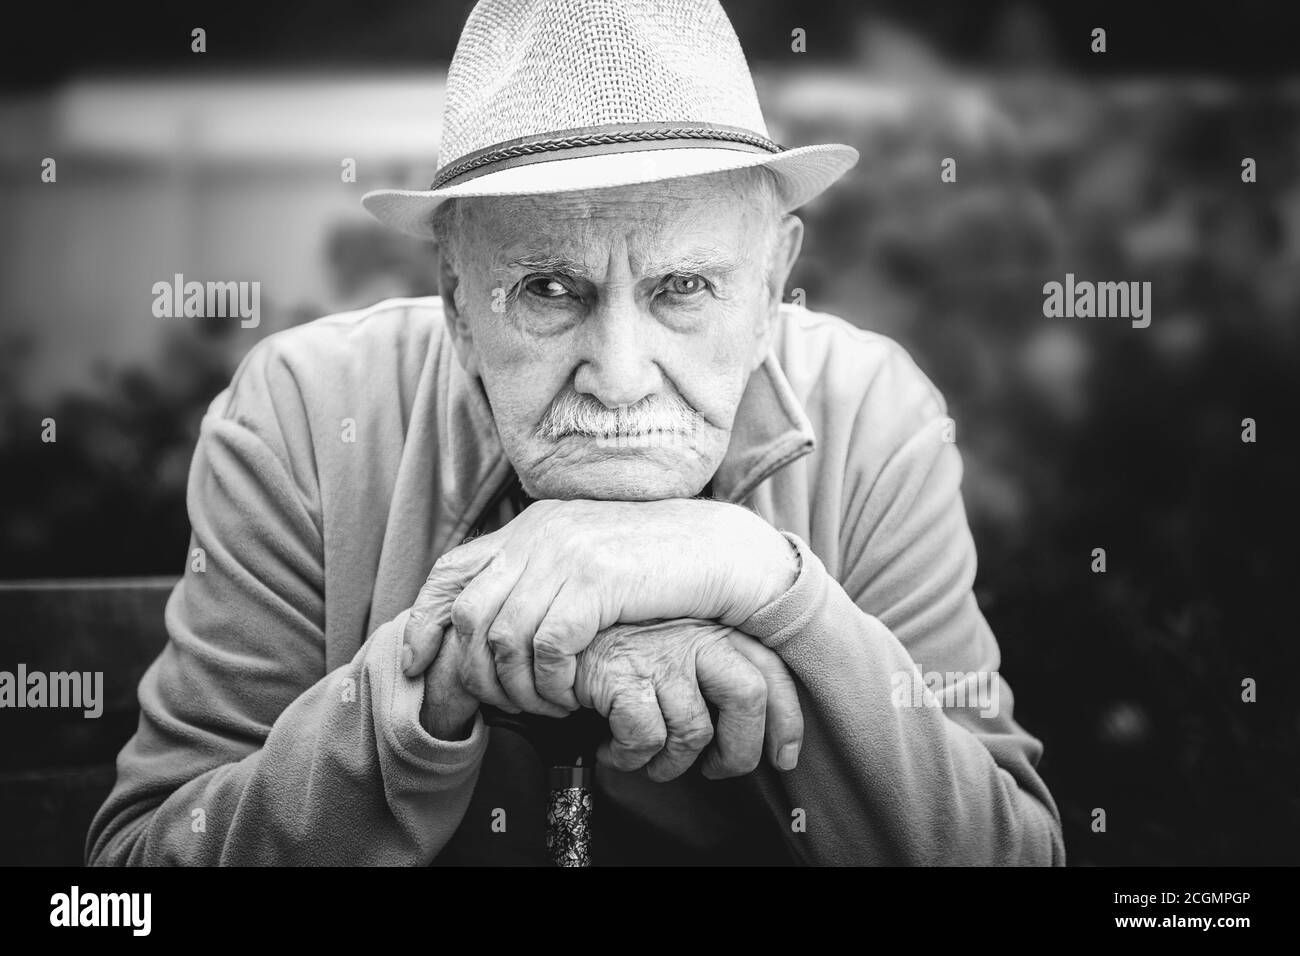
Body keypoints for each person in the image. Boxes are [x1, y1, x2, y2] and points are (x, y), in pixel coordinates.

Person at [87, 0, 1065, 866]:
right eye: (550, 290)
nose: (621, 373)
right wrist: (439, 663)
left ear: (770, 287)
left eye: (684, 287)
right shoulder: (305, 414)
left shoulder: (874, 417)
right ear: (457, 299)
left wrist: (766, 582)